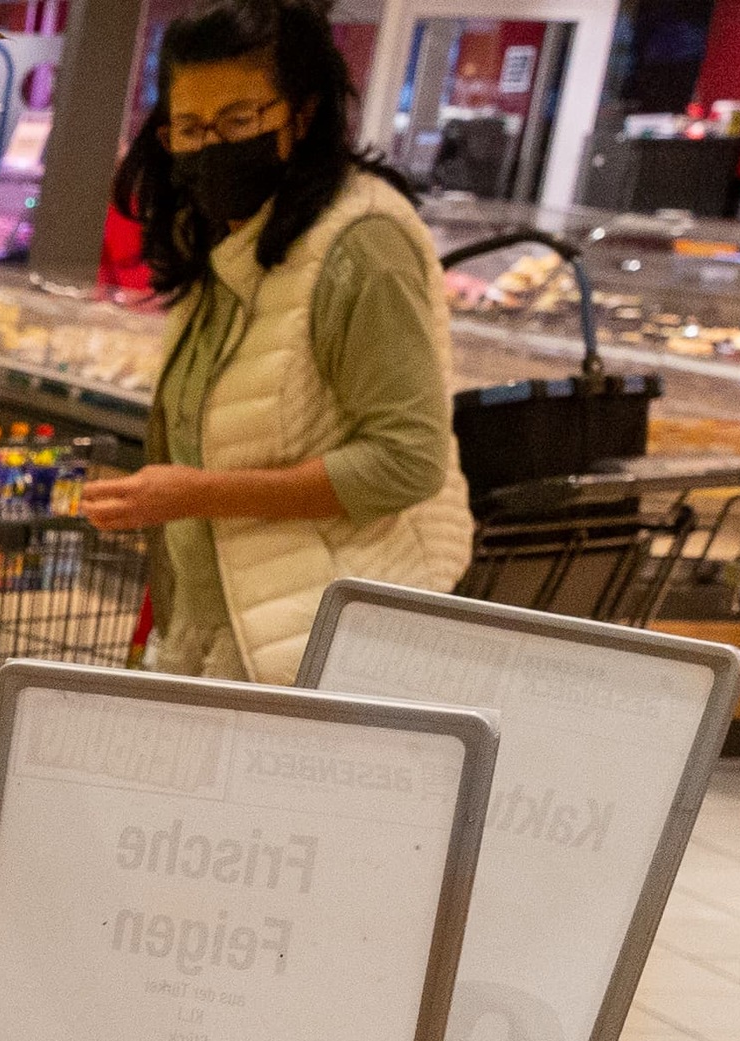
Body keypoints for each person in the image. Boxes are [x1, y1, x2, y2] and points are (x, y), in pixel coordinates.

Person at [73, 0, 469, 677]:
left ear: (302, 114)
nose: (211, 147)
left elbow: (408, 461)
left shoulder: (361, 247)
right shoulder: (226, 238)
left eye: (237, 121)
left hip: (320, 644)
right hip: (224, 631)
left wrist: (196, 494)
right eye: (189, 127)